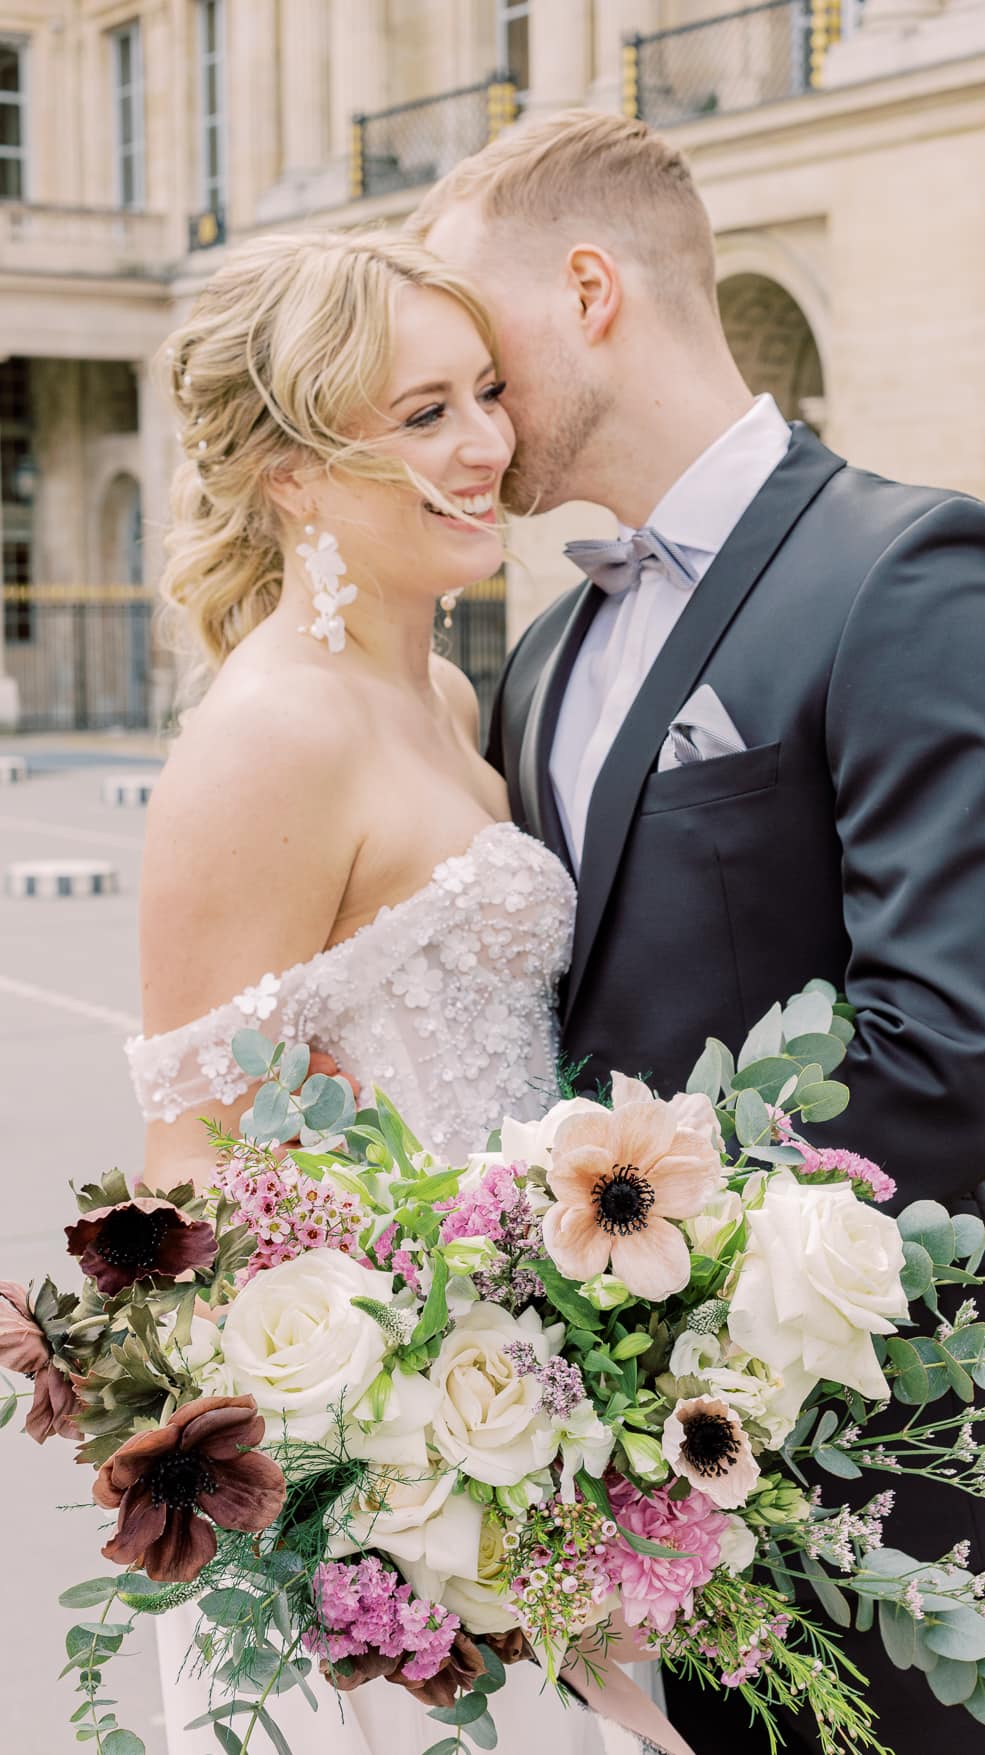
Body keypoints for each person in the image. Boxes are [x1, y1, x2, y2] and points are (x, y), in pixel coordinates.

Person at [411, 110, 985, 1755]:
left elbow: (951, 1059)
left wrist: (583, 1251)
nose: (467, 402)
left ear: (589, 290)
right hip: (638, 1534)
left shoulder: (913, 570)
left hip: (908, 1516)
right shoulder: (551, 638)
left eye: (480, 351)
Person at [124, 229, 636, 1755]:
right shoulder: (269, 737)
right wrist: (380, 1466)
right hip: (384, 1518)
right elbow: (187, 1162)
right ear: (287, 470)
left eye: (484, 392)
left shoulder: (445, 696)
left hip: (533, 1431)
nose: (487, 442)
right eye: (422, 416)